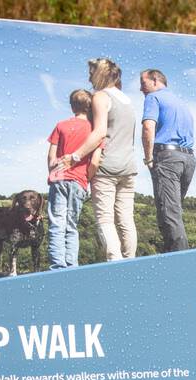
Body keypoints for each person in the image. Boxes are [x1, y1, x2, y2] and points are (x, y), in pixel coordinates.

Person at [55, 57, 137, 260]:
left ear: (99, 73)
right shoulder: (127, 100)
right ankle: (130, 263)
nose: (89, 77)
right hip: (129, 167)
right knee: (126, 219)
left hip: (107, 166)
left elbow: (100, 133)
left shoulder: (101, 97)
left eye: (91, 72)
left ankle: (116, 265)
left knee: (105, 219)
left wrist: (74, 156)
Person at [140, 69, 196, 252]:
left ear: (155, 80)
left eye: (143, 83)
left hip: (168, 158)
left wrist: (148, 159)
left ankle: (179, 265)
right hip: (188, 159)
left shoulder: (153, 98)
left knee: (169, 214)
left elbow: (148, 127)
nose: (141, 89)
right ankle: (173, 256)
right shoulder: (180, 103)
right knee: (174, 211)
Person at [45, 89, 97, 269]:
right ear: (89, 106)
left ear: (71, 105)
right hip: (79, 181)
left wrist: (53, 172)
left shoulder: (61, 125)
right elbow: (95, 160)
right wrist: (86, 180)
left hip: (59, 179)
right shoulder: (94, 129)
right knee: (71, 225)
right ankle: (71, 266)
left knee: (56, 224)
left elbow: (51, 158)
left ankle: (57, 267)